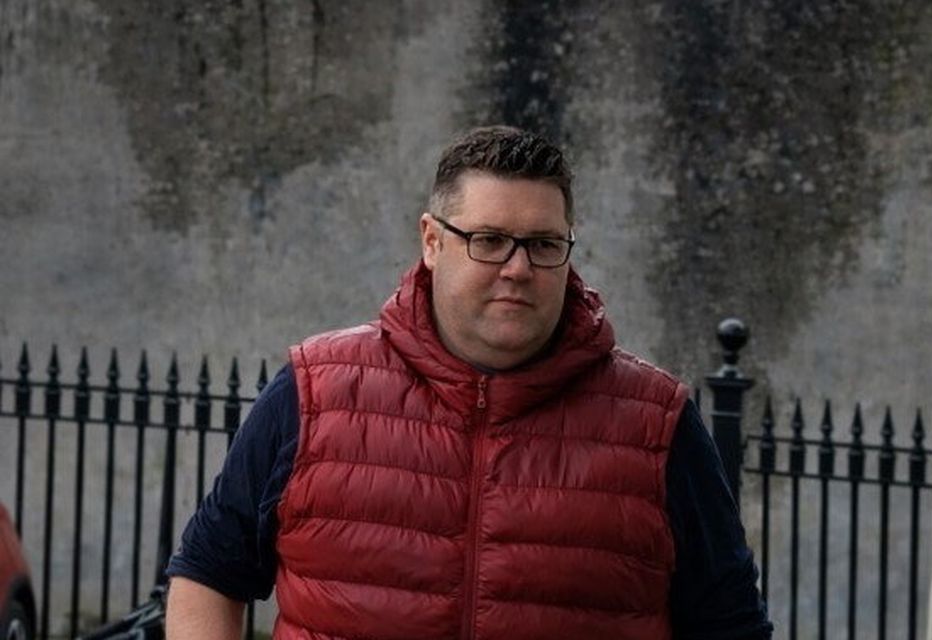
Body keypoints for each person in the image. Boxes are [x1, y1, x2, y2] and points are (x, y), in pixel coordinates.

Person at [166, 125, 772, 639]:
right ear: (432, 241)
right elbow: (209, 572)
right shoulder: (315, 391)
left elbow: (731, 623)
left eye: (542, 244)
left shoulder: (656, 422)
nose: (518, 268)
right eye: (488, 241)